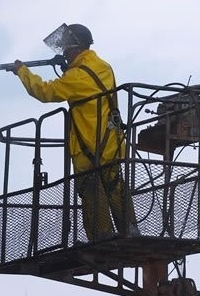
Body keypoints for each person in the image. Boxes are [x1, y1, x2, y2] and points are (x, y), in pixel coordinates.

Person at [8, 23, 138, 241]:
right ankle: (131, 230)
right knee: (116, 188)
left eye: (66, 49)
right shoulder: (103, 67)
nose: (64, 53)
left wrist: (22, 72)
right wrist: (69, 70)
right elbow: (84, 84)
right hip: (112, 142)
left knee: (92, 190)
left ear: (76, 47)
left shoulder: (76, 76)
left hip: (88, 146)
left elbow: (45, 92)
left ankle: (102, 236)